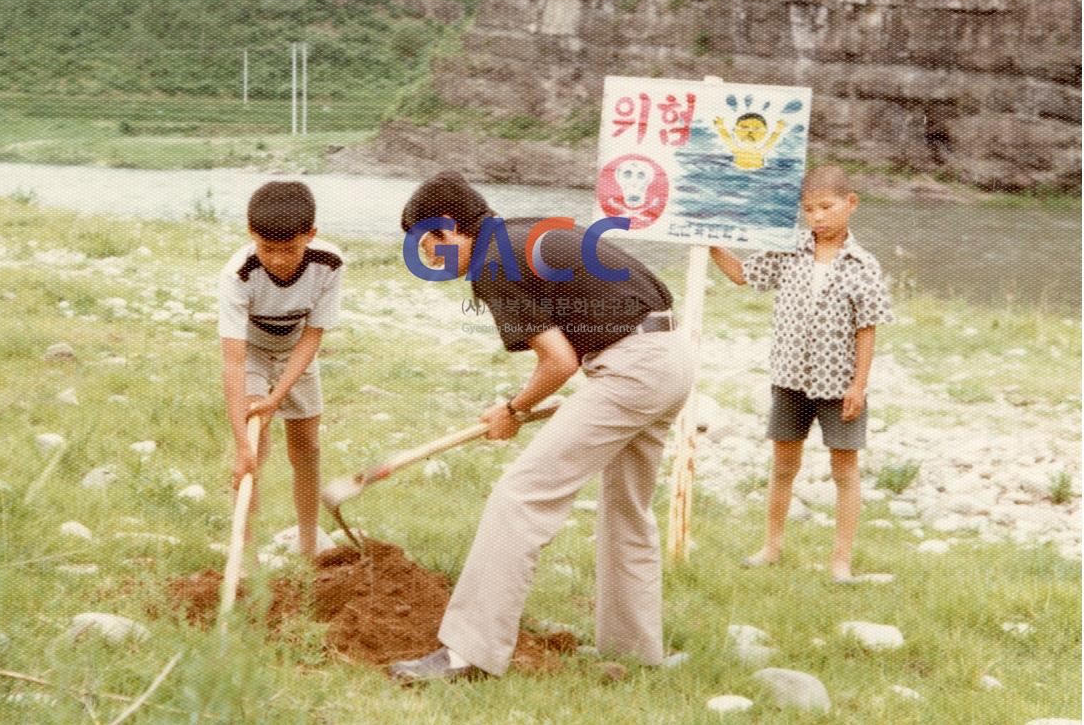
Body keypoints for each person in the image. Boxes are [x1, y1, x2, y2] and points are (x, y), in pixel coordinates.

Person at [388, 171, 693, 682]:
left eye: (430, 247)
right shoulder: (521, 231)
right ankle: (636, 652)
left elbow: (557, 360)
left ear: (447, 231)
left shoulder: (492, 262)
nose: (434, 261)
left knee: (521, 495)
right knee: (627, 509)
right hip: (670, 356)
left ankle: (468, 654)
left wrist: (513, 409)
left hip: (632, 367)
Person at [708, 164, 893, 581]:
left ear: (851, 204)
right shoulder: (788, 251)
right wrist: (711, 244)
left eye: (826, 207)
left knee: (844, 471)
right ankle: (772, 546)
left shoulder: (863, 264)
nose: (818, 217)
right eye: (809, 209)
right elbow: (743, 275)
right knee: (783, 467)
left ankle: (841, 561)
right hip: (789, 379)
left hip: (839, 384)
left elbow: (867, 329)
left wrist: (858, 386)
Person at [217, 181, 342, 559]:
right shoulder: (238, 274)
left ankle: (308, 544)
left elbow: (312, 336)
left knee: (307, 448)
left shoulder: (329, 264)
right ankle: (247, 553)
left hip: (296, 352)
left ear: (310, 235)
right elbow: (233, 360)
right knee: (255, 444)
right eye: (267, 248)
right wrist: (242, 443)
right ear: (252, 235)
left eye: (289, 249)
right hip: (252, 351)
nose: (278, 259)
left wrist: (278, 396)